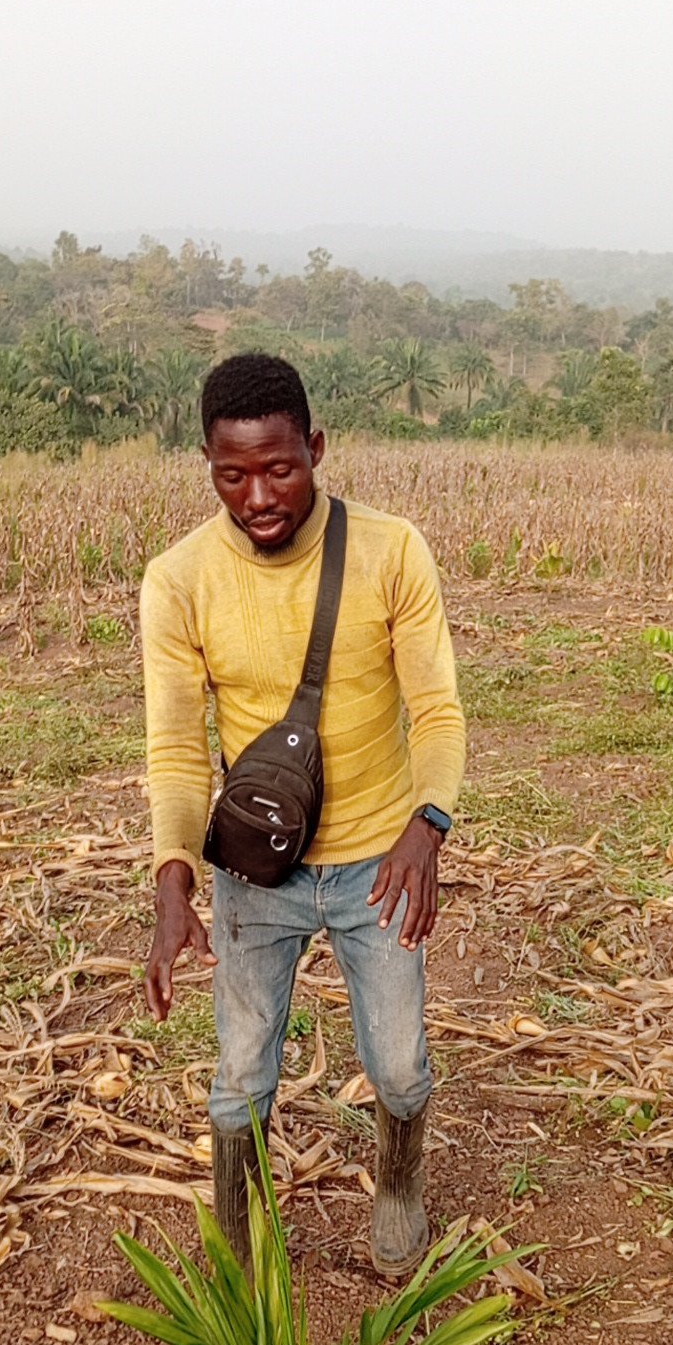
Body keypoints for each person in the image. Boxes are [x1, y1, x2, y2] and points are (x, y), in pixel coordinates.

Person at [140, 353, 465, 1276]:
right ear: (206, 463)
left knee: (399, 1068)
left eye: (279, 467)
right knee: (241, 1078)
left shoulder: (392, 551)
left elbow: (437, 711)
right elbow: (173, 748)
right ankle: (241, 1256)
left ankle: (399, 1195)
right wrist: (173, 882)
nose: (258, 497)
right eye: (230, 474)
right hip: (256, 876)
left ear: (316, 448)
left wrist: (425, 825)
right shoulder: (178, 580)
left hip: (380, 870)